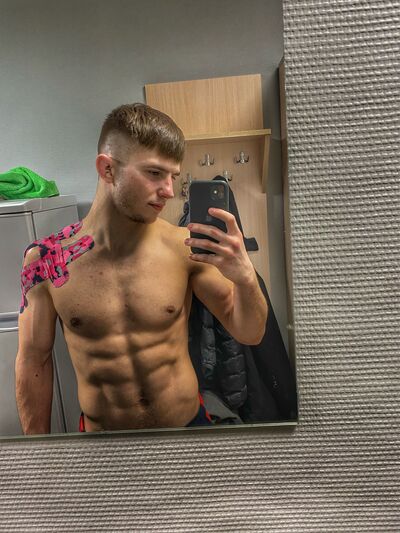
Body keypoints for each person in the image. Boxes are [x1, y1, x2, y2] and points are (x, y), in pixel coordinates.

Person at [15, 103, 268, 434]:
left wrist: (246, 278)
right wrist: (39, 454)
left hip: (186, 431)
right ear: (107, 169)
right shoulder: (48, 261)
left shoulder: (183, 247)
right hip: (104, 445)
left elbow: (250, 332)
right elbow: (34, 361)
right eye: (154, 173)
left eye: (173, 176)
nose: (169, 191)